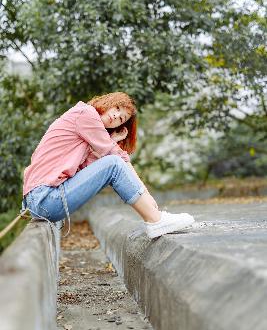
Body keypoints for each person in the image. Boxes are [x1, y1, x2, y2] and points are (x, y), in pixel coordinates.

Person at [21, 91, 195, 239]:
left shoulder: (85, 130)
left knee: (113, 162)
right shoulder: (86, 113)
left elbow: (86, 169)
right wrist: (147, 195)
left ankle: (155, 217)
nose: (116, 116)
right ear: (108, 102)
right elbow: (117, 159)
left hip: (41, 201)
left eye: (122, 118)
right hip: (45, 198)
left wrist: (110, 141)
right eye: (117, 108)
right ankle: (155, 220)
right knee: (114, 163)